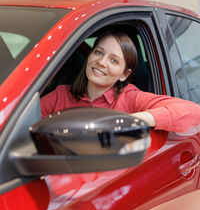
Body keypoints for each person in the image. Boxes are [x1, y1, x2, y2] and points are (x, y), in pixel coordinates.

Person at [41, 30, 200, 133]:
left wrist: (126, 122)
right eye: (98, 52)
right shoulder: (60, 96)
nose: (102, 62)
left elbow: (193, 111)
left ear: (124, 74)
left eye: (114, 61)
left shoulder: (131, 98)